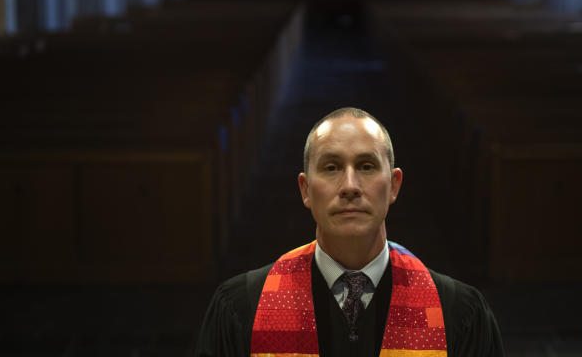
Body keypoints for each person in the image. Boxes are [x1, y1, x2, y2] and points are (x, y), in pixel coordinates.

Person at [194, 106, 503, 357]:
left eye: (367, 166)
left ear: (394, 185)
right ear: (305, 190)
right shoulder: (240, 308)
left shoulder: (460, 314)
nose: (350, 187)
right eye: (331, 167)